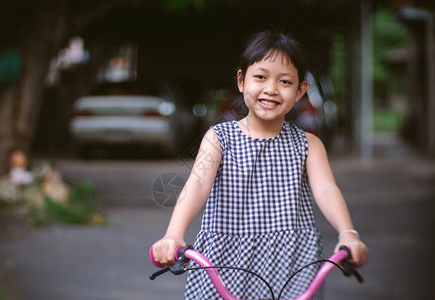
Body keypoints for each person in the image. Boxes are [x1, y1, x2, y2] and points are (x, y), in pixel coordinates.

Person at [151, 30, 369, 299]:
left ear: (301, 90)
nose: (271, 89)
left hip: (293, 262)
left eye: (285, 81)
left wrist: (348, 233)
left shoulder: (309, 144)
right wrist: (173, 234)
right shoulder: (219, 138)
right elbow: (196, 186)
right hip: (224, 261)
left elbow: (325, 190)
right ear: (242, 81)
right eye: (261, 77)